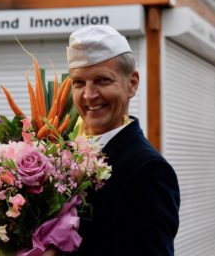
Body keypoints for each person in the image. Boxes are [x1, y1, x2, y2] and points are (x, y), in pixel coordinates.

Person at [59, 25, 180, 256]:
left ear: (132, 83)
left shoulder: (148, 170)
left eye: (103, 80)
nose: (89, 95)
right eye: (79, 83)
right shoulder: (61, 153)